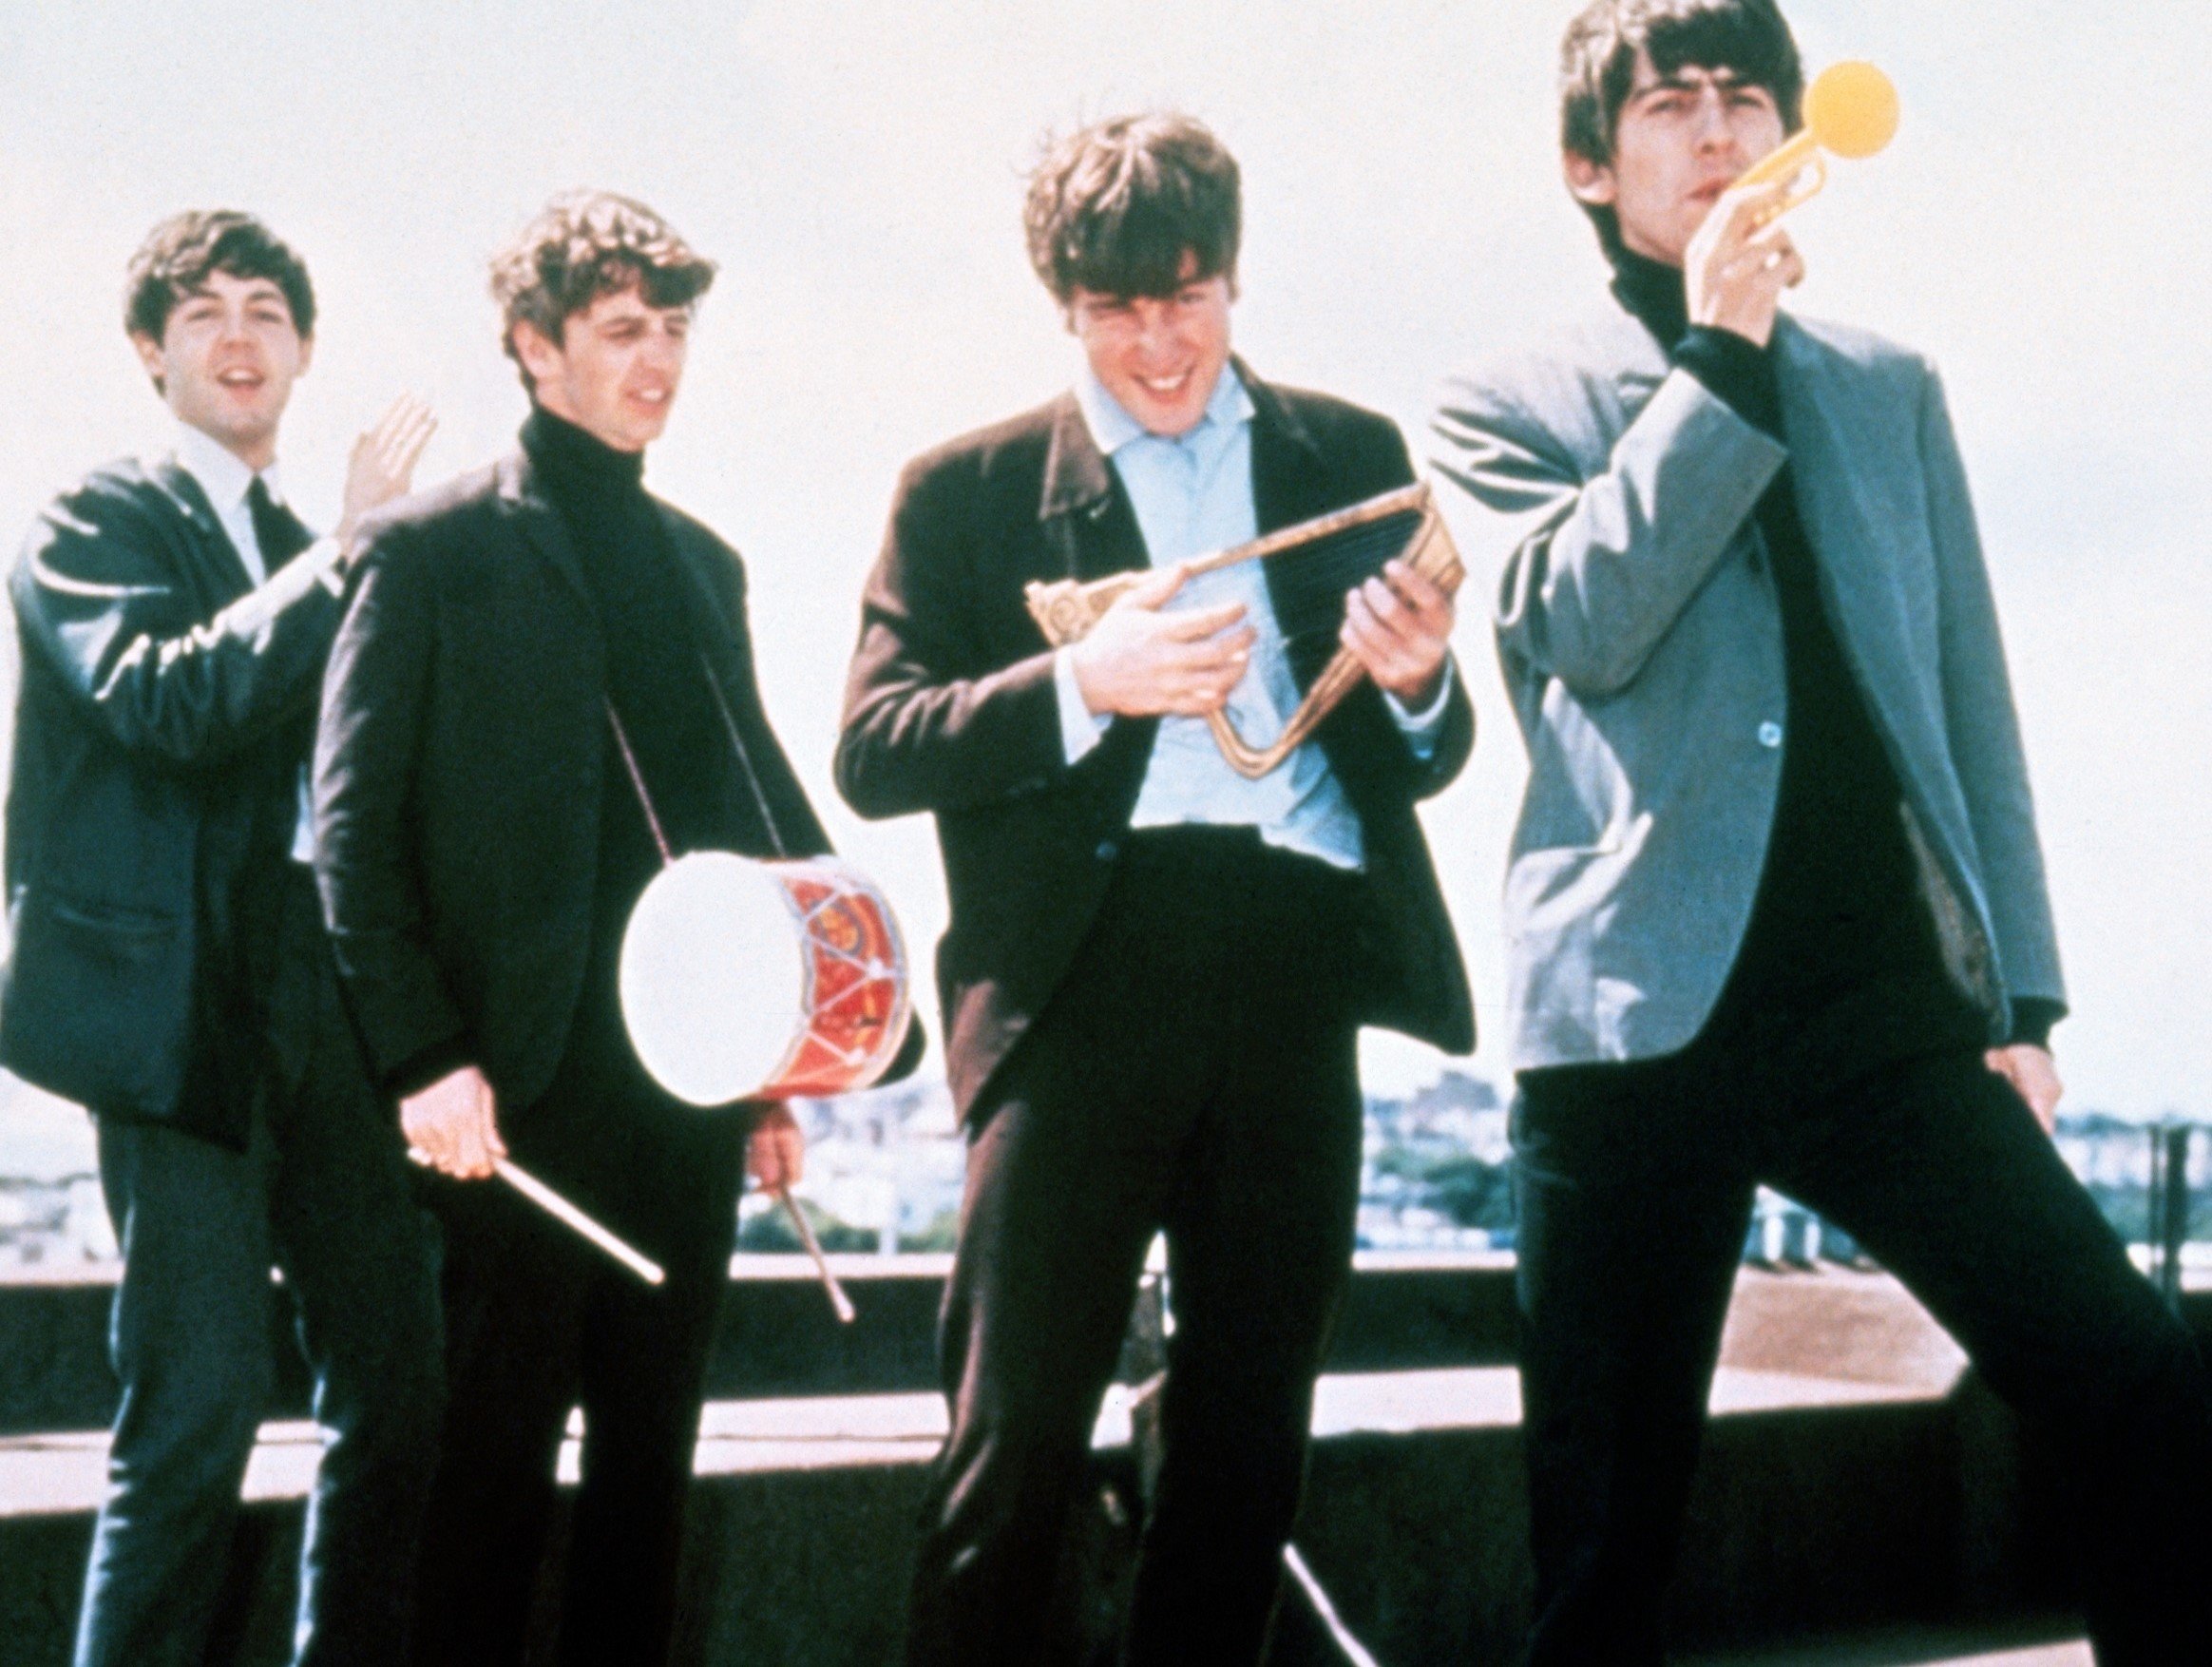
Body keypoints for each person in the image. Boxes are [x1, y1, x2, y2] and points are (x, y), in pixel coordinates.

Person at [1428, 3, 2212, 1661]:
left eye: (1746, 97)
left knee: (2142, 1381)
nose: (1718, 132)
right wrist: (1716, 355)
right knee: (1606, 1545)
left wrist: (2027, 1002)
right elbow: (1582, 621)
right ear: (1590, 159)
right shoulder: (1504, 397)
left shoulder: (1888, 383)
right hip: (1634, 1020)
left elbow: (1965, 701)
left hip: (1877, 1009)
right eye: (1669, 103)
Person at [837, 113, 1476, 1666]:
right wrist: (1083, 684)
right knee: (1014, 1447)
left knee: (1249, 1453)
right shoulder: (967, 489)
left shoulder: (1350, 455)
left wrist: (1419, 686)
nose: (1158, 339)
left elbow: (1435, 748)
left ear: (1235, 281)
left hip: (1293, 966)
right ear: (1063, 304)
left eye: (1185, 296)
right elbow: (872, 747)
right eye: (1117, 308)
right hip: (1076, 986)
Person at [314, 189, 910, 1667]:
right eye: (621, 329)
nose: (658, 361)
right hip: (502, 1113)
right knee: (485, 1490)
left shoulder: (705, 564)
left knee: (652, 1486)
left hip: (682, 1106)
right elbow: (348, 837)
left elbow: (742, 823)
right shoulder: (425, 549)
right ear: (533, 345)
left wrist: (780, 1075)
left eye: (676, 328)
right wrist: (425, 1061)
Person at [0, 210, 439, 1667]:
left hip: (325, 999)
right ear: (151, 352)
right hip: (183, 1016)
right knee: (191, 1415)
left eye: (267, 310)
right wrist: (348, 557)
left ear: (304, 349)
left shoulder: (319, 550)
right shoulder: (97, 516)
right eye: (203, 316)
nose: (240, 336)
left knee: (400, 1372)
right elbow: (164, 702)